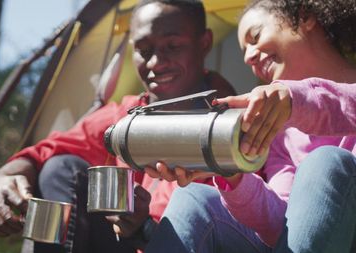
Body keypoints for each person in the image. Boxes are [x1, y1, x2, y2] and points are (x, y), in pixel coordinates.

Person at [0, 0, 237, 253]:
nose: (155, 62)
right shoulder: (124, 115)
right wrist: (1, 178)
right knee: (60, 168)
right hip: (121, 240)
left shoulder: (234, 128)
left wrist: (144, 229)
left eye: (172, 46)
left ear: (204, 43)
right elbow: (46, 153)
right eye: (144, 49)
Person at [143, 0, 356, 252]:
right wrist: (230, 170)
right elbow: (280, 225)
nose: (248, 57)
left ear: (305, 17)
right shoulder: (280, 135)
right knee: (194, 198)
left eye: (255, 36)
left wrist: (293, 98)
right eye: (244, 51)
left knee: (324, 161)